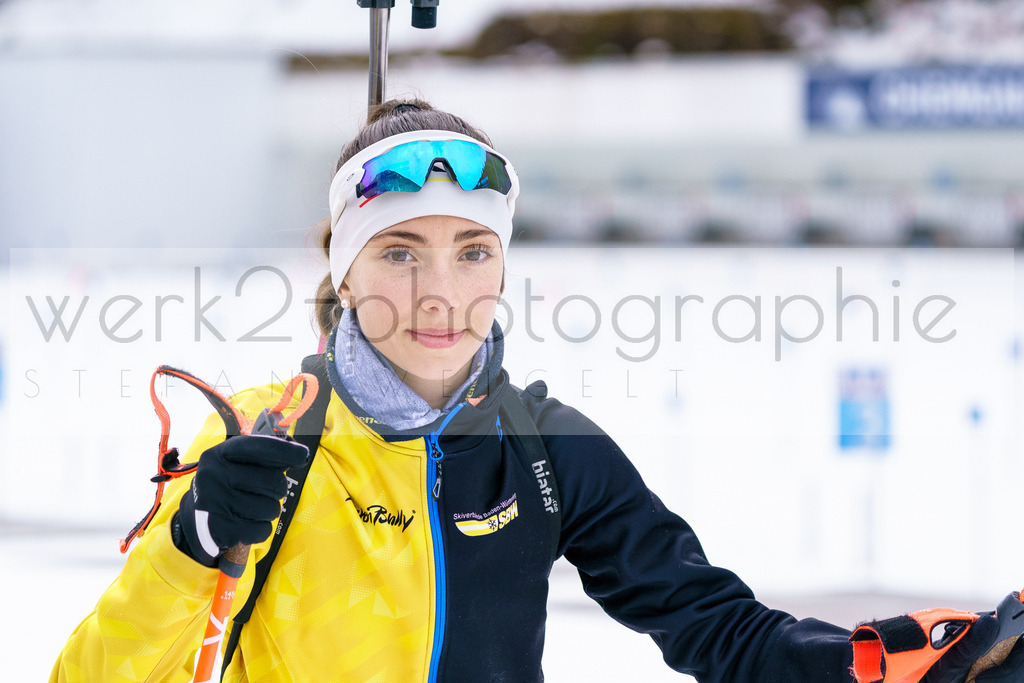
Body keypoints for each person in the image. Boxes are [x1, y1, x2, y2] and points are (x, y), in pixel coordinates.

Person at [51, 99, 1023, 683]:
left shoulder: (551, 450)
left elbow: (716, 627)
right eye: (398, 252)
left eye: (473, 249)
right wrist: (191, 549)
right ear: (341, 268)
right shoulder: (263, 441)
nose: (441, 293)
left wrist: (907, 660)